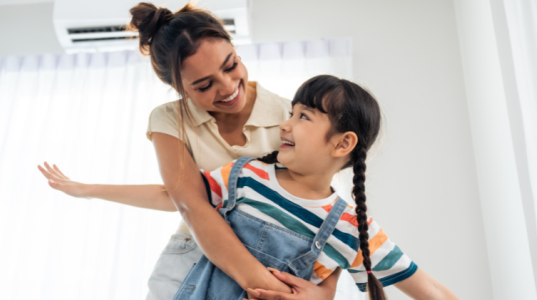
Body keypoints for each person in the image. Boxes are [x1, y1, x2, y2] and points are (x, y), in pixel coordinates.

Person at [37, 3, 457, 300]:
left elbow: (324, 231)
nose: (227, 88)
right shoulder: (220, 159)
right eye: (203, 86)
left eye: (231, 64)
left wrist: (318, 296)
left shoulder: (287, 124)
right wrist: (86, 189)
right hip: (198, 259)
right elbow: (185, 201)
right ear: (179, 91)